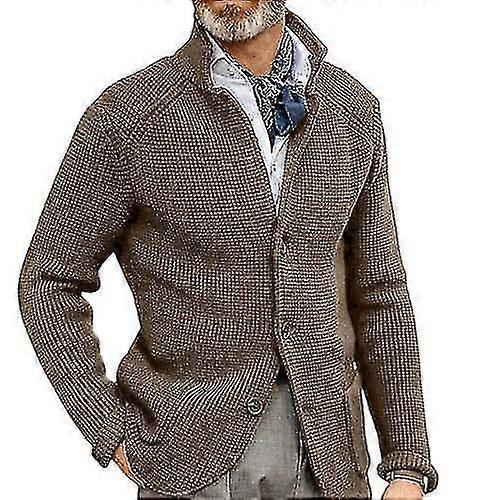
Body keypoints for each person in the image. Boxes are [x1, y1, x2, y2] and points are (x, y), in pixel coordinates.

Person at [18, 1, 438, 498]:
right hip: (186, 449)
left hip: (331, 454)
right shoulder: (130, 115)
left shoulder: (352, 110)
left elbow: (380, 291)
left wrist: (407, 461)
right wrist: (108, 426)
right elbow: (48, 280)